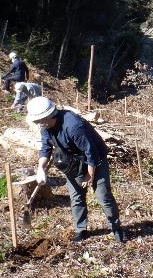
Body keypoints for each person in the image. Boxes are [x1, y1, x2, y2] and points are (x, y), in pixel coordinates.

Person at [27, 96, 124, 243]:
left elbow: (92, 152)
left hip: (95, 159)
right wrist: (41, 169)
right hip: (72, 161)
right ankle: (81, 230)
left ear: (49, 116)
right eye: (36, 121)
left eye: (38, 120)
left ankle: (116, 228)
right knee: (76, 196)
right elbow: (45, 148)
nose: (37, 124)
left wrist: (89, 175)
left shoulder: (73, 125)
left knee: (103, 196)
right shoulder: (45, 126)